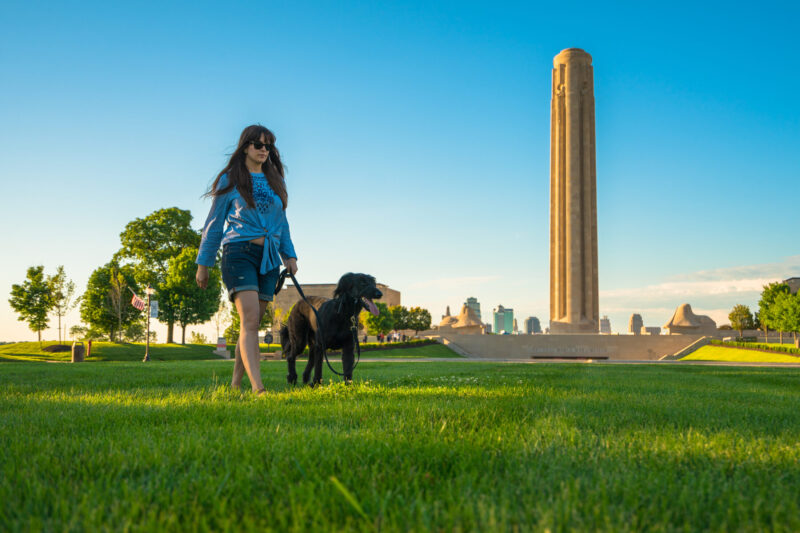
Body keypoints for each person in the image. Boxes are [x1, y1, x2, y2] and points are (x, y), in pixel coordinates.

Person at [196, 125, 297, 394]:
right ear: (245, 147)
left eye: (268, 146)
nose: (264, 150)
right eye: (258, 145)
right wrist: (203, 264)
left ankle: (235, 384)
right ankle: (258, 389)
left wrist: (289, 254)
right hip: (238, 254)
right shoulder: (230, 180)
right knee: (250, 320)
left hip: (269, 259)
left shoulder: (276, 181)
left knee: (251, 324)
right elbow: (214, 225)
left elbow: (282, 223)